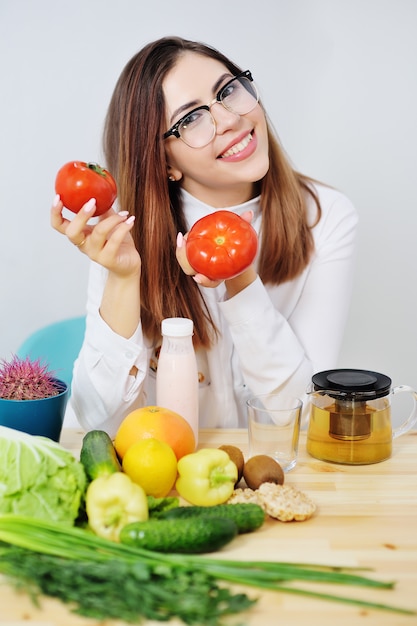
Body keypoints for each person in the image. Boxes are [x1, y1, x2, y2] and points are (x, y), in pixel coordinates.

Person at [51, 36, 358, 437]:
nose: (229, 119)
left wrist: (241, 280)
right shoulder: (124, 231)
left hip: (263, 471)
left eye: (228, 90)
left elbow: (301, 412)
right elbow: (95, 429)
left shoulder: (326, 216)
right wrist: (123, 280)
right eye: (191, 117)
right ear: (164, 162)